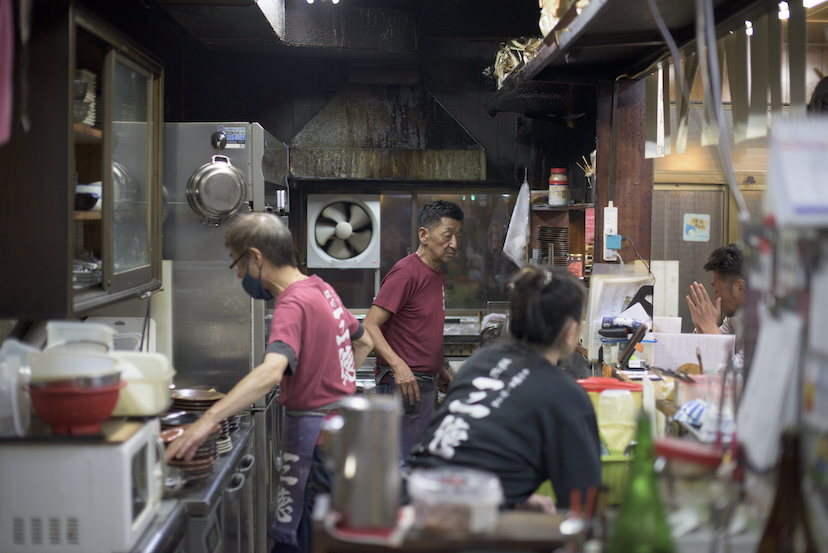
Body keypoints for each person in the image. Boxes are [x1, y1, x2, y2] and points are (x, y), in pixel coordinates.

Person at [165, 213, 374, 553]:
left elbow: (271, 371)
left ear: (256, 257)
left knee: (298, 542)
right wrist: (337, 379)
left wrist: (206, 422)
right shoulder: (322, 289)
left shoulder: (291, 302)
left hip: (315, 446)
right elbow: (363, 341)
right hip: (340, 439)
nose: (237, 275)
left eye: (236, 263)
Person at [409, 266, 602, 511]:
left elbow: (471, 451)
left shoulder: (481, 361)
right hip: (460, 531)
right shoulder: (567, 396)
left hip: (411, 505)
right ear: (570, 331)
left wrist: (509, 497)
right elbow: (584, 510)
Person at [363, 200, 463, 463]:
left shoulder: (437, 274)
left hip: (425, 384)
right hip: (402, 386)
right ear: (424, 235)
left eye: (458, 236)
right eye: (448, 235)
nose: (454, 244)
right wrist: (398, 366)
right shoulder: (407, 272)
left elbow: (419, 329)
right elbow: (369, 325)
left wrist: (438, 369)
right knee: (400, 468)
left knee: (417, 464)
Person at [685, 244, 745, 365]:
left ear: (740, 288)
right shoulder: (733, 319)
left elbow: (734, 370)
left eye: (717, 291)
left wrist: (708, 325)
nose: (714, 298)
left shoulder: (767, 323)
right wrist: (701, 327)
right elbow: (706, 352)